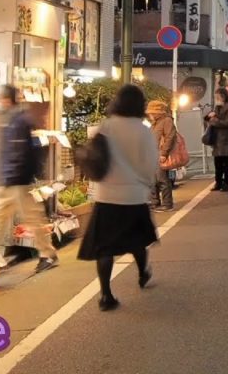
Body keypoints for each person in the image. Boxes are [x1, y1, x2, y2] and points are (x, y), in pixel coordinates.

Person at [78, 84, 159, 311]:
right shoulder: (143, 130)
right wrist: (144, 184)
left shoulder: (106, 127)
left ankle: (106, 295)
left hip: (106, 196)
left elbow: (94, 158)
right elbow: (150, 164)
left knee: (104, 248)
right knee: (138, 241)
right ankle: (143, 273)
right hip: (134, 196)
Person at [0, 85, 58, 273]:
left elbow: (20, 153)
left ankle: (47, 254)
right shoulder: (11, 118)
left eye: (0, 98)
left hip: (17, 181)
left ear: (7, 99)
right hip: (9, 180)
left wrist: (16, 176)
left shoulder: (19, 120)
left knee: (31, 218)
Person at [146, 100, 177, 212]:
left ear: (157, 112)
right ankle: (155, 202)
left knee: (162, 179)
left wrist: (164, 153)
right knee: (153, 180)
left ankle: (167, 203)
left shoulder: (166, 121)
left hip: (160, 153)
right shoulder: (155, 123)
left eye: (151, 112)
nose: (150, 115)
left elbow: (170, 137)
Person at [205, 88, 228, 191]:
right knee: (217, 162)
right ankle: (218, 182)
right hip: (217, 139)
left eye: (218, 97)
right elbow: (210, 117)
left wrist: (213, 119)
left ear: (223, 96)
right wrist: (208, 117)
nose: (216, 99)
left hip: (227, 139)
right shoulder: (217, 107)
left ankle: (226, 183)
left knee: (227, 162)